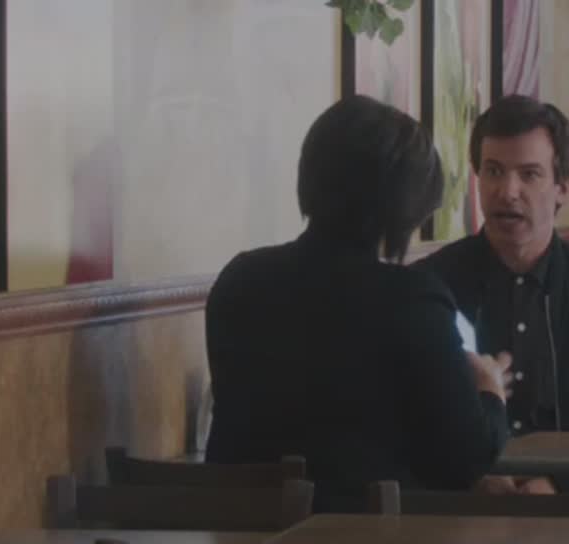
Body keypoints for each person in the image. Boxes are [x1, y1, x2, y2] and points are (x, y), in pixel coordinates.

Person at [204, 95, 513, 512]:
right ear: (405, 205)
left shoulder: (239, 280)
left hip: (238, 525)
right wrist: (490, 390)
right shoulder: (411, 300)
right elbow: (465, 460)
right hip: (368, 528)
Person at [414, 95, 569, 495]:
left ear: (563, 188)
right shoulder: (430, 287)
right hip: (457, 509)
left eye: (529, 174)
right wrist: (471, 477)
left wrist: (561, 484)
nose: (507, 191)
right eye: (493, 171)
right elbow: (403, 420)